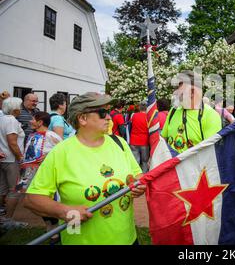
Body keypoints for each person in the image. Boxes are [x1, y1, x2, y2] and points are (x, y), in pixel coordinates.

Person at [23, 92, 146, 245]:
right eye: (102, 113)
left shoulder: (119, 143)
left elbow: (137, 174)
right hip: (80, 240)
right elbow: (32, 199)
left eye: (108, 112)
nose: (109, 117)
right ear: (82, 118)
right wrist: (65, 211)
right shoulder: (61, 152)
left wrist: (138, 184)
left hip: (127, 239)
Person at [18, 111, 62, 242]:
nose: (30, 121)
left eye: (33, 119)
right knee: (31, 201)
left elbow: (63, 149)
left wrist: (48, 156)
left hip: (43, 174)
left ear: (40, 122)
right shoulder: (33, 135)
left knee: (44, 200)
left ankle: (53, 229)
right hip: (30, 172)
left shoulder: (51, 135)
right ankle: (51, 226)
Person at [162, 70, 222, 153]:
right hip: (171, 164)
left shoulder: (211, 116)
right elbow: (163, 139)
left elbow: (210, 154)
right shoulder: (174, 110)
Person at [0, 97, 27, 230]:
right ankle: (8, 220)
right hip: (12, 159)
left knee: (3, 188)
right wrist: (21, 157)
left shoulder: (2, 118)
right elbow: (12, 142)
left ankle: (2, 218)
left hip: (3, 158)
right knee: (14, 190)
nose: (21, 109)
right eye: (20, 106)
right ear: (15, 108)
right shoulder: (11, 120)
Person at [129, 103, 150, 173]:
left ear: (140, 108)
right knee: (145, 161)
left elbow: (130, 126)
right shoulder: (148, 117)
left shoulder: (134, 115)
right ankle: (144, 176)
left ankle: (136, 175)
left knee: (135, 161)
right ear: (146, 108)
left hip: (134, 140)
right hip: (144, 141)